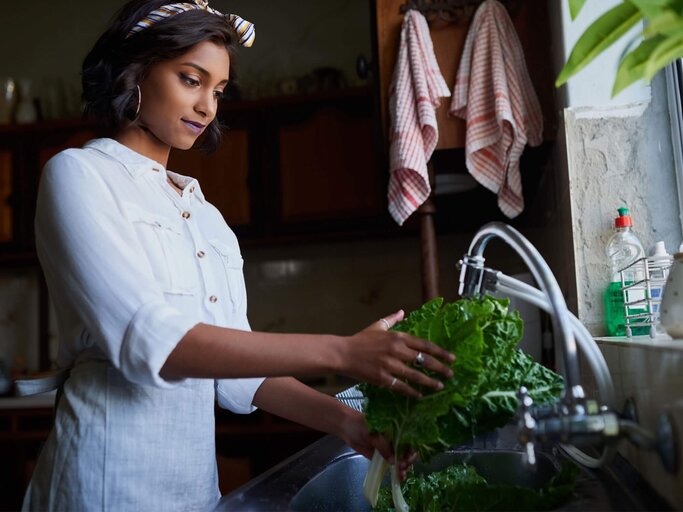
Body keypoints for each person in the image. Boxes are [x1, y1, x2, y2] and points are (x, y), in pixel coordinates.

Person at [22, 1, 456, 510]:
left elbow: (238, 375)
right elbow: (151, 342)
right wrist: (343, 352)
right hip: (104, 484)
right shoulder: (78, 175)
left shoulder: (206, 217)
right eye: (191, 79)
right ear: (135, 70)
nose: (208, 106)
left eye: (219, 91)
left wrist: (350, 424)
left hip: (196, 493)